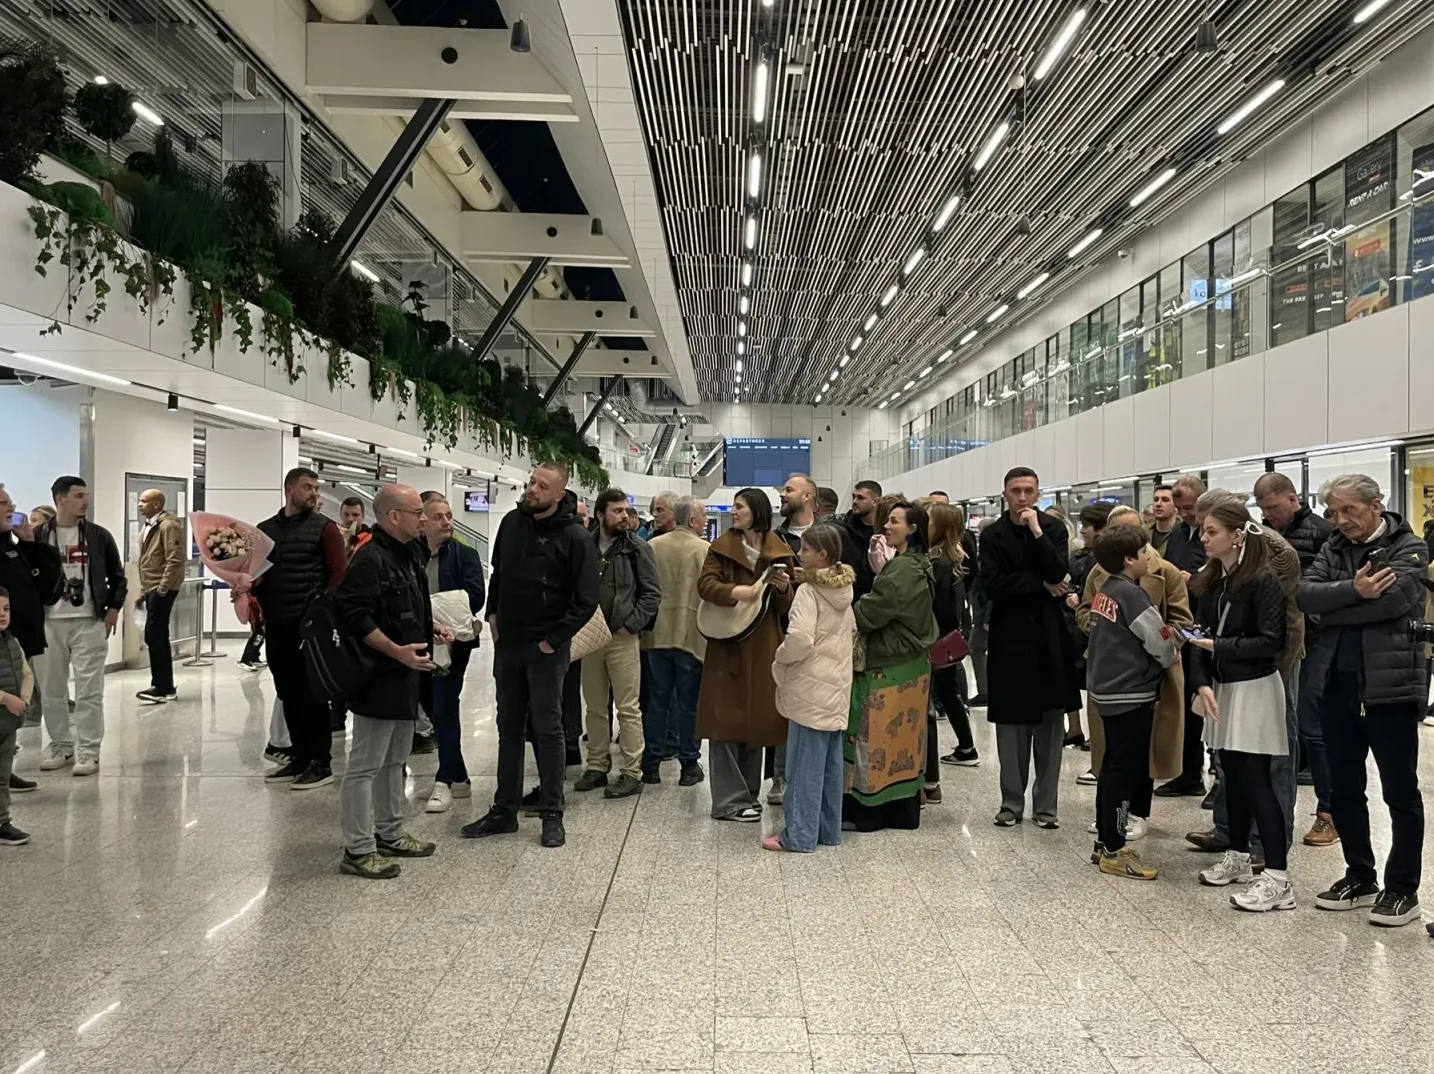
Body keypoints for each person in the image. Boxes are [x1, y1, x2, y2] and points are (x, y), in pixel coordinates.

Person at [1300, 473, 1428, 927]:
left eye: (1350, 510)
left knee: (1399, 792)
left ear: (1377, 505)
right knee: (1342, 789)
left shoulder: (1409, 547)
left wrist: (1332, 610)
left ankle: (1402, 889)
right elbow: (1303, 594)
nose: (1342, 520)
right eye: (1334, 512)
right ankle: (1359, 875)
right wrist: (1353, 590)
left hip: (1389, 690)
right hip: (1336, 685)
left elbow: (1392, 603)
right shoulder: (1333, 547)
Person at [463, 462, 599, 848]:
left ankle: (552, 811)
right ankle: (504, 810)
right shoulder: (511, 523)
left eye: (542, 486)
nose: (532, 490)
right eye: (531, 483)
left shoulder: (575, 537)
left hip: (546, 649)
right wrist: (492, 611)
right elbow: (498, 573)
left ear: (560, 494)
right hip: (509, 645)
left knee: (548, 727)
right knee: (508, 726)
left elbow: (586, 600)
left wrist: (552, 641)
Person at [1185, 491, 1304, 866]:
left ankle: (1273, 869)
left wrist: (1219, 647)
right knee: (1231, 776)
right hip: (1223, 686)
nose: (1203, 538)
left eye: (1210, 531)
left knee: (1260, 779)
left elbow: (1271, 640)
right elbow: (1198, 637)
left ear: (1237, 534)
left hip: (1255, 685)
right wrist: (1201, 682)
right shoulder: (1210, 581)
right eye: (1202, 531)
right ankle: (1235, 852)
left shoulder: (1264, 576)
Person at [335, 484, 448, 879]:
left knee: (396, 760)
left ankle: (390, 832)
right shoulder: (371, 558)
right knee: (365, 764)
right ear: (393, 516)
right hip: (377, 677)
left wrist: (430, 628)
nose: (424, 518)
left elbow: (404, 606)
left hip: (405, 676)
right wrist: (394, 650)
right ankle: (358, 848)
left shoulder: (407, 556)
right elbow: (353, 615)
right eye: (417, 512)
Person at [1077, 504, 1192, 840]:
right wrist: (1168, 647)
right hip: (1131, 689)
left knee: (1121, 762)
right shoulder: (1128, 592)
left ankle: (1112, 827)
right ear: (1128, 557)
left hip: (1112, 686)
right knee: (1121, 763)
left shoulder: (1119, 585)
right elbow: (1157, 639)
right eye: (1141, 549)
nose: (1147, 553)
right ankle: (1112, 838)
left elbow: (1177, 621)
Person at [981, 468, 1080, 828]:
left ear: (1038, 494)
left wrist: (1037, 533)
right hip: (1009, 639)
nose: (1022, 498)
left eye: (1028, 491)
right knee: (1011, 728)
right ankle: (1010, 802)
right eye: (1015, 491)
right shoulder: (991, 535)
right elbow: (993, 584)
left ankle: (1046, 807)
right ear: (1004, 494)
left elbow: (1059, 571)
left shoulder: (1052, 530)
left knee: (1051, 728)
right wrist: (1040, 583)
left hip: (1049, 639)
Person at [240, 467, 346, 789]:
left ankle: (320, 761)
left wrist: (323, 611)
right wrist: (245, 588)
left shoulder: (325, 529)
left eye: (316, 488)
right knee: (287, 692)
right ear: (288, 490)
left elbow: (339, 572)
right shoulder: (265, 531)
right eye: (307, 487)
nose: (314, 493)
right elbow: (258, 573)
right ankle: (299, 756)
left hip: (309, 626)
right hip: (277, 623)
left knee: (311, 694)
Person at [696, 487, 796, 822]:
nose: (734, 511)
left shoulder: (779, 551)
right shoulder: (722, 546)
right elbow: (706, 586)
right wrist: (742, 592)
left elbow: (786, 608)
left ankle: (748, 795)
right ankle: (728, 800)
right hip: (728, 645)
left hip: (764, 645)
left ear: (756, 511)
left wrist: (783, 590)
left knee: (756, 721)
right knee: (724, 722)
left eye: (740, 506)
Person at [1254, 471, 1339, 847]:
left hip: (1317, 642)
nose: (1269, 515)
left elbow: (1323, 586)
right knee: (1285, 728)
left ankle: (1329, 812)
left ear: (1292, 498)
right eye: (1263, 509)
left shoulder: (1322, 533)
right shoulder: (1261, 534)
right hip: (1277, 643)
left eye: (1273, 507)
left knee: (1312, 729)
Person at [846, 501, 938, 831]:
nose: (887, 526)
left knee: (875, 741)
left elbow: (870, 613)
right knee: (908, 743)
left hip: (888, 665)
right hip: (913, 666)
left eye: (895, 522)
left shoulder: (900, 570)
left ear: (913, 529)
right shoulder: (918, 564)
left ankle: (869, 813)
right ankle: (902, 811)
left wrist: (876, 578)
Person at [764, 525, 854, 852]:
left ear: (823, 555)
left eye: (805, 549)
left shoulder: (809, 592)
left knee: (803, 768)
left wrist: (780, 656)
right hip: (836, 686)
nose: (800, 554)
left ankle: (799, 836)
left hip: (810, 688)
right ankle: (827, 831)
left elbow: (800, 638)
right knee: (829, 767)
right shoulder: (843, 589)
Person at [34, 477, 124, 777]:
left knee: (89, 690)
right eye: (78, 496)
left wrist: (112, 609)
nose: (85, 501)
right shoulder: (37, 537)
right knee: (52, 690)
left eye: (86, 495)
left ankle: (89, 749)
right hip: (48, 621)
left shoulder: (99, 536)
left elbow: (118, 577)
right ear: (60, 499)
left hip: (89, 620)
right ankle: (61, 744)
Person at [575, 488, 661, 800]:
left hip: (623, 638)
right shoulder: (584, 545)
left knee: (628, 707)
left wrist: (631, 624)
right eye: (617, 511)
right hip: (591, 636)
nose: (624, 516)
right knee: (595, 706)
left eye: (626, 510)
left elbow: (652, 594)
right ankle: (597, 765)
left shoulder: (637, 548)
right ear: (600, 514)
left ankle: (631, 771)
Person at [419, 495, 486, 814]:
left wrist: (431, 612)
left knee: (445, 703)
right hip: (414, 641)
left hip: (450, 642)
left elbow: (475, 597)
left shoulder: (465, 555)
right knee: (430, 706)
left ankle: (445, 777)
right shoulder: (409, 555)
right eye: (438, 517)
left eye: (449, 516)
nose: (447, 522)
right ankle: (458, 774)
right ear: (422, 521)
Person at [641, 495, 709, 787]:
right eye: (703, 516)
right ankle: (688, 765)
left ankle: (652, 764)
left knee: (657, 701)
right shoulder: (705, 550)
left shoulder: (652, 546)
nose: (706, 521)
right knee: (688, 703)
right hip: (690, 637)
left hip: (656, 635)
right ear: (692, 520)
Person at [1155, 473, 1212, 799]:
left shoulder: (1211, 530)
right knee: (1184, 700)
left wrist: (1195, 579)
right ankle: (1189, 772)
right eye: (1182, 507)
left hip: (1209, 623)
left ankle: (1218, 776)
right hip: (1182, 625)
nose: (1187, 513)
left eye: (1190, 507)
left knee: (1207, 699)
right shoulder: (1178, 534)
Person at [0, 487, 60, 748]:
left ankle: (6, 769)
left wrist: (28, 541)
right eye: (3, 504)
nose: (10, 509)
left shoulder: (13, 546)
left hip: (18, 638)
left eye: (11, 503)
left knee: (12, 704)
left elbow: (47, 587)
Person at [929, 503, 978, 769]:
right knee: (949, 693)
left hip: (939, 638)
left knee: (948, 692)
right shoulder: (955, 558)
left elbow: (944, 608)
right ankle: (966, 745)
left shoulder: (941, 563)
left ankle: (967, 747)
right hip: (949, 637)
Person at [134, 489, 186, 705]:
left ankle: (162, 685)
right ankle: (164, 685)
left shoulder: (168, 525)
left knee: (154, 634)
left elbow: (174, 559)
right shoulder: (150, 526)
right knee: (156, 634)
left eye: (144, 501)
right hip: (151, 587)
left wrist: (162, 588)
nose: (139, 504)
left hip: (161, 587)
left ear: (156, 504)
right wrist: (143, 591)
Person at [0, 587, 37, 844]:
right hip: (5, 710)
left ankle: (2, 822)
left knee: (2, 777)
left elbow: (26, 672)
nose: (2, 614)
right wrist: (5, 698)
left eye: (6, 609)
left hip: (7, 724)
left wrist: (24, 698)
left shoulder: (11, 641)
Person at [836, 480, 882, 599]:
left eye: (861, 498)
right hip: (849, 594)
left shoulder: (885, 530)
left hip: (878, 594)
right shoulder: (843, 528)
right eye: (854, 497)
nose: (855, 501)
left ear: (875, 502)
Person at [776, 474, 817, 555]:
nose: (781, 494)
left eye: (789, 490)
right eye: (783, 490)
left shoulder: (831, 534)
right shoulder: (776, 538)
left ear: (806, 496)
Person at [1147, 485, 1179, 559]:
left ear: (1176, 505)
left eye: (1165, 500)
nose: (1158, 504)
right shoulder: (1144, 532)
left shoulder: (1184, 534)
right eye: (1156, 499)